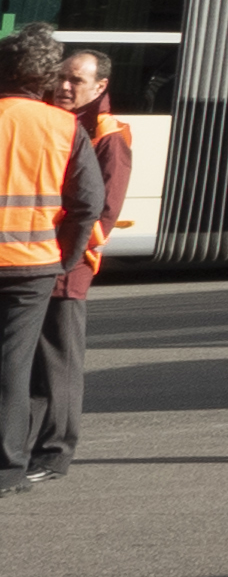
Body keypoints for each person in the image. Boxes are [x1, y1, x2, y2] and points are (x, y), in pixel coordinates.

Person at [0, 25, 115, 496]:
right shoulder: (64, 127)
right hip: (34, 268)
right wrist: (63, 257)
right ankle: (8, 466)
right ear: (46, 76)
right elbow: (89, 202)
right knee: (13, 365)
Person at [28, 47, 134, 482]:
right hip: (37, 258)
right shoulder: (55, 119)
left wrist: (68, 259)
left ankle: (55, 453)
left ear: (100, 86)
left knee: (60, 362)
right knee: (32, 359)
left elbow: (103, 210)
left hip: (66, 264)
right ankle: (24, 446)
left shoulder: (108, 132)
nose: (65, 86)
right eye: (61, 78)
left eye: (76, 80)